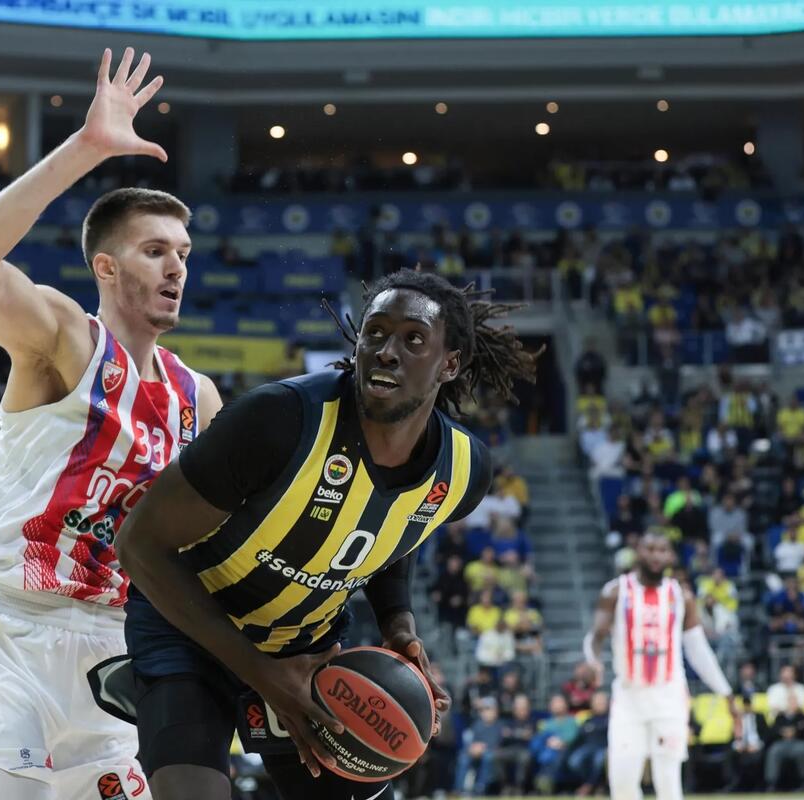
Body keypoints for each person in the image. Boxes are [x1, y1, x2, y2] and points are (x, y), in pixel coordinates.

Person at [113, 270, 538, 799]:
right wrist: (262, 674)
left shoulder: (463, 472)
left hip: (303, 646)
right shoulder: (279, 419)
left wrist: (397, 622)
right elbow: (139, 544)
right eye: (375, 333)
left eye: (413, 340)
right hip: (192, 630)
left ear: (449, 364)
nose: (387, 351)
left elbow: (397, 530)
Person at [0, 47, 221, 799]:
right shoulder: (66, 340)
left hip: (116, 651)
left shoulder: (199, 398)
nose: (177, 268)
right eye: (155, 251)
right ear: (107, 268)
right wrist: (87, 147)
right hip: (8, 633)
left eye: (183, 253)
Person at [584, 531, 735, 800]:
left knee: (668, 782)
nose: (656, 555)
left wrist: (725, 691)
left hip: (669, 696)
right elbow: (595, 637)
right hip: (629, 697)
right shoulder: (616, 591)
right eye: (650, 549)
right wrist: (593, 661)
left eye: (662, 549)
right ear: (638, 552)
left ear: (671, 556)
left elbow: (698, 649)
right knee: (622, 783)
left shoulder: (681, 595)